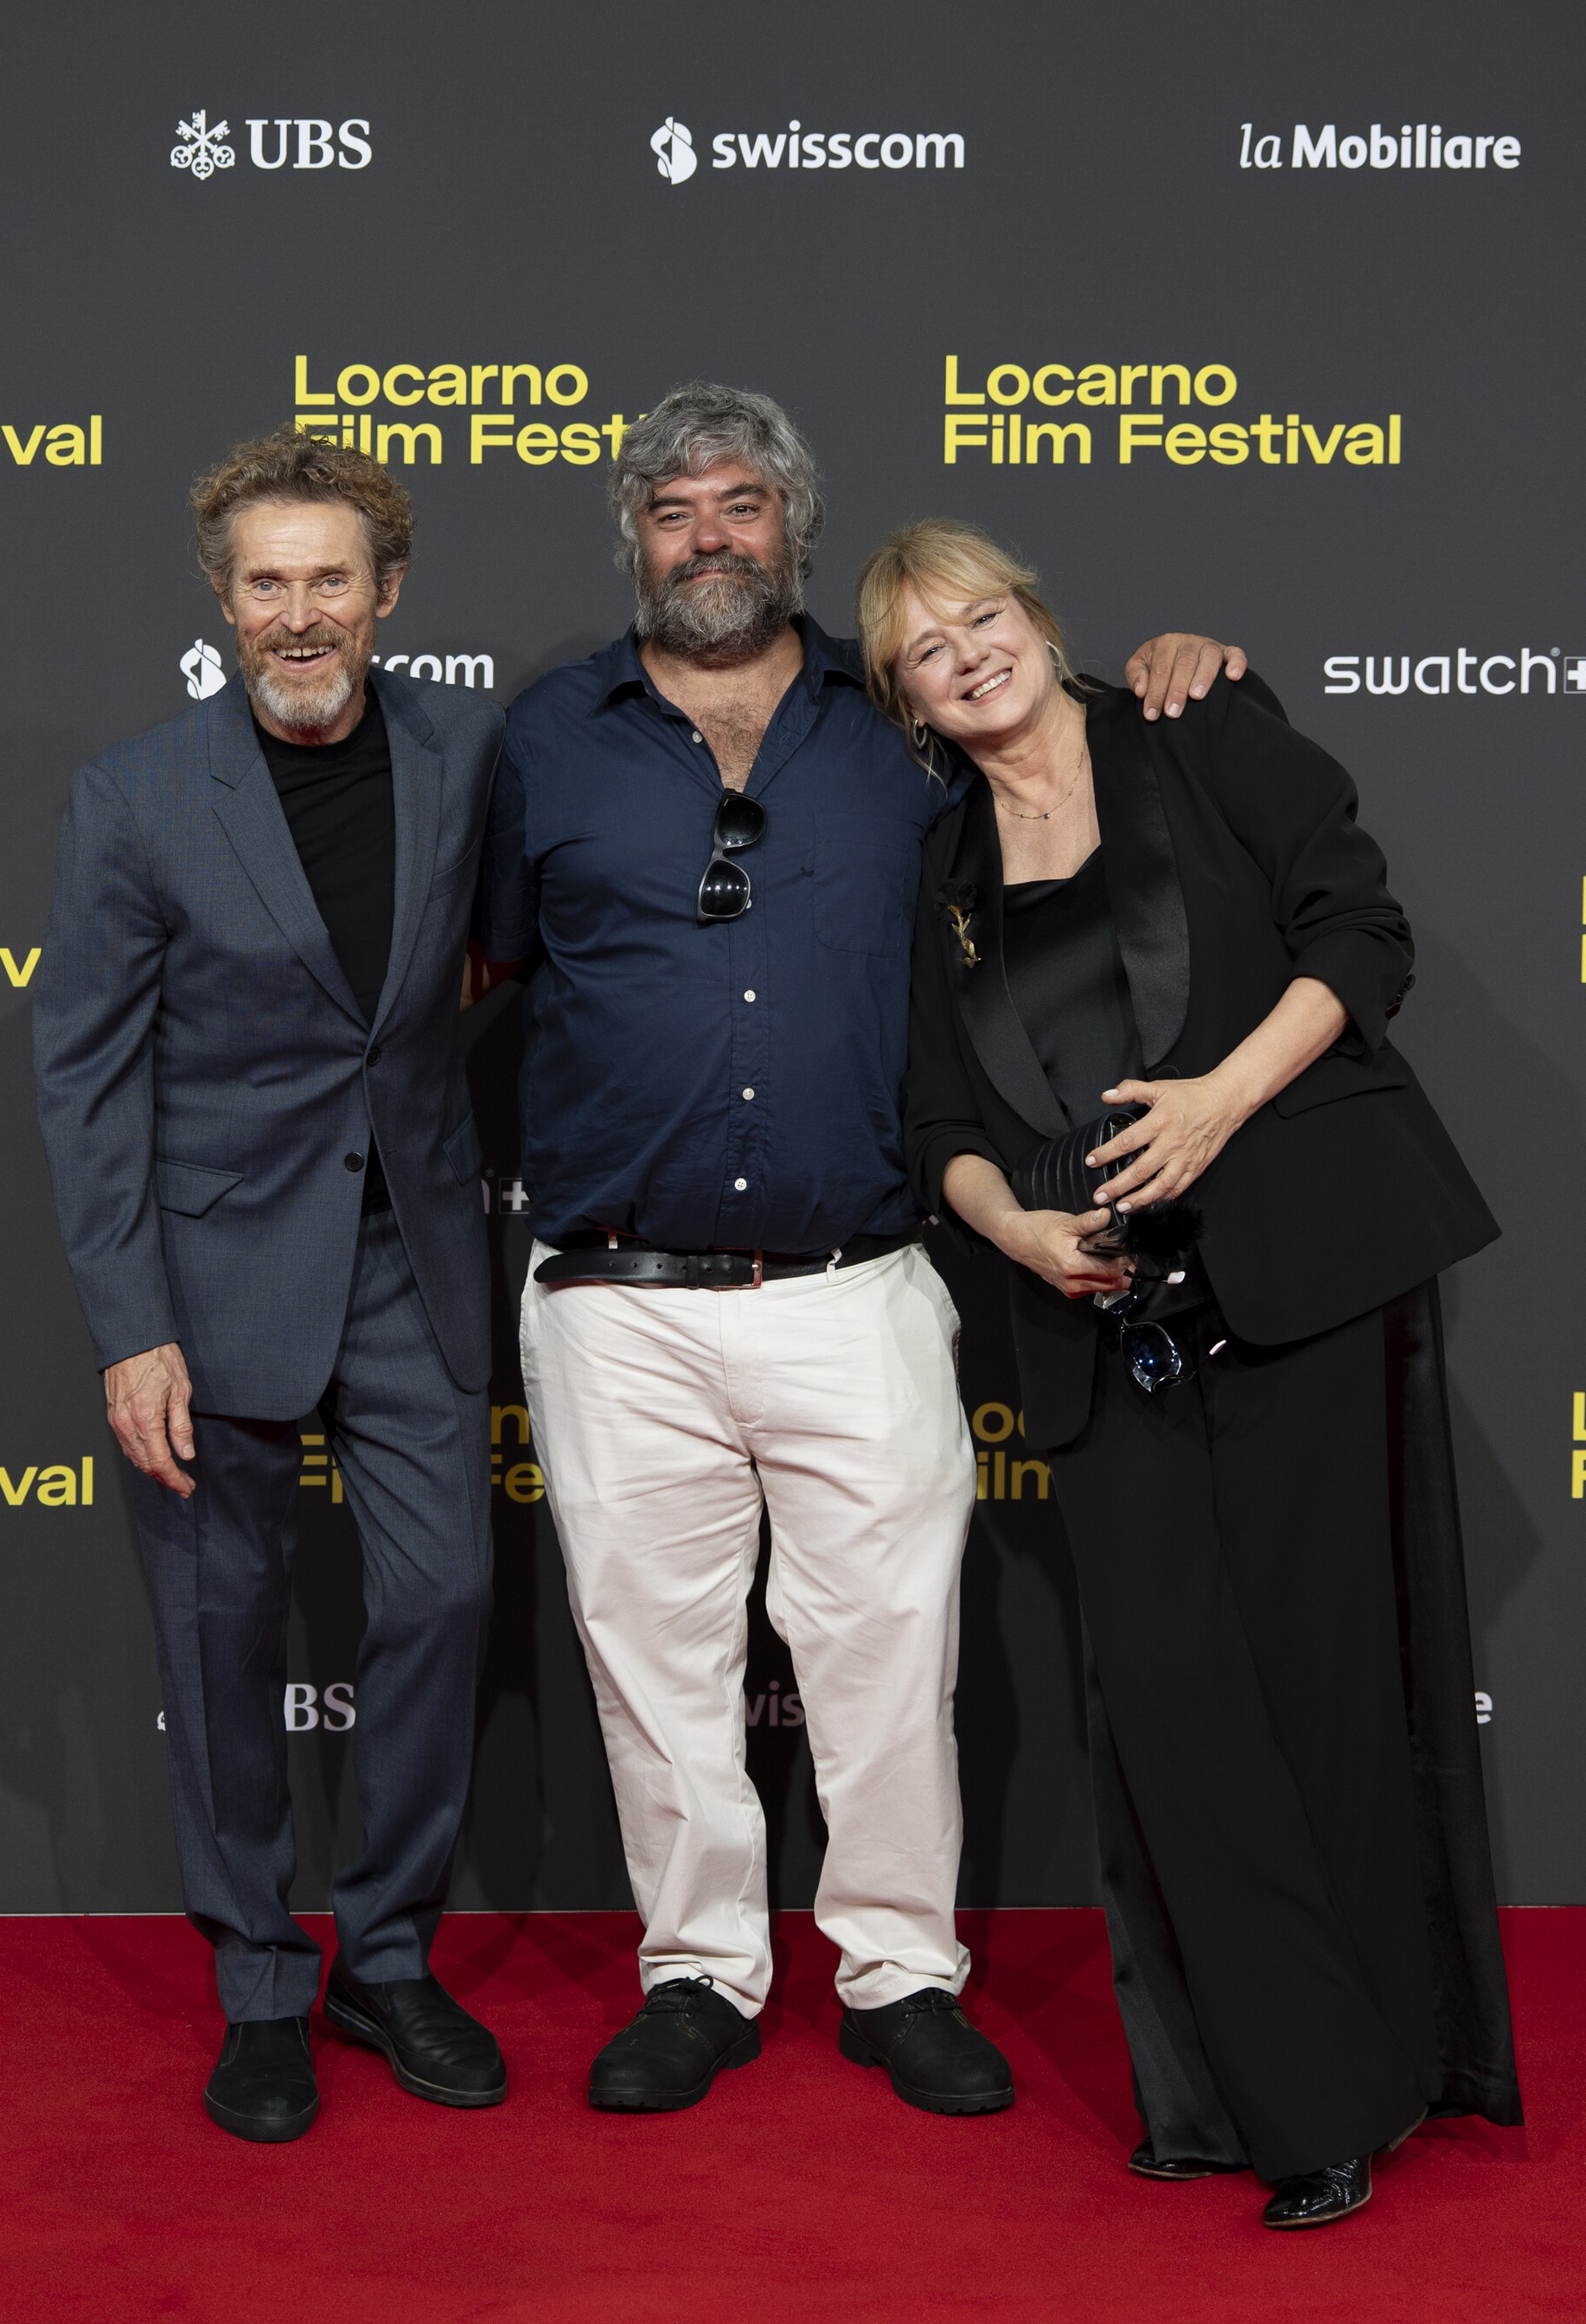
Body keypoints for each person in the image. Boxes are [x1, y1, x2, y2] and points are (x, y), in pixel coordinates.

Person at [480, 380, 1241, 2116]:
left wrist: (1182, 668)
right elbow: (490, 970)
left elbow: (1070, 758)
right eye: (673, 514)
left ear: (793, 527)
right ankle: (699, 1975)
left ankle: (901, 1971)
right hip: (614, 1296)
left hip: (859, 1282)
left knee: (892, 1654)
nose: (708, 540)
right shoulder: (551, 738)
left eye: (740, 506)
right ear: (634, 541)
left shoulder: (895, 727)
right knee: (655, 1667)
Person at [873, 516, 1522, 2225]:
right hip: (1100, 1329)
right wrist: (1012, 1231)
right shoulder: (936, 875)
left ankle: (1362, 2088)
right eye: (928, 651)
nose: (970, 655)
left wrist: (1226, 1097)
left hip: (1296, 1272)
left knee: (1321, 1689)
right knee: (1174, 1711)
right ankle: (1297, 2089)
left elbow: (1357, 936)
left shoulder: (1195, 725)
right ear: (909, 701)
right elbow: (938, 1117)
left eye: (986, 616)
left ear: (1037, 616)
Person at [34, 428, 506, 2142]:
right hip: (212, 1269)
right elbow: (85, 1080)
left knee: (445, 1601)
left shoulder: (467, 756)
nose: (297, 615)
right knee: (220, 1638)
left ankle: (387, 1956)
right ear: (224, 603)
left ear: (387, 595)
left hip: (416, 1262)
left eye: (329, 580)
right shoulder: (140, 795)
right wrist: (129, 1326)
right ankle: (257, 1983)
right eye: (265, 584)